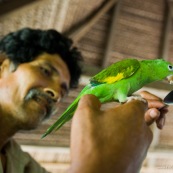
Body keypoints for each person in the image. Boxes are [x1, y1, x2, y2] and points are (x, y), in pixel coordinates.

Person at [0, 28, 168, 173]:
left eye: (63, 90)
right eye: (45, 71)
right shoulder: (134, 65)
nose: (55, 93)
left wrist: (120, 151)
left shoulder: (22, 164)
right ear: (3, 66)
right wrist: (101, 166)